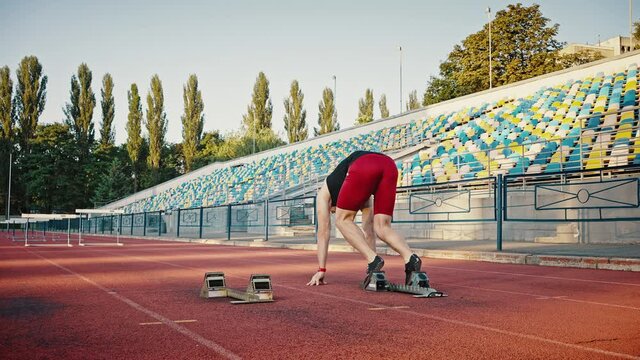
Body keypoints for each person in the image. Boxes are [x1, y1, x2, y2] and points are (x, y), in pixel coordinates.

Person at [306, 150, 422, 288]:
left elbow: (323, 233)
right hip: (389, 165)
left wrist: (321, 269)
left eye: (332, 210)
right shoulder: (358, 189)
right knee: (382, 227)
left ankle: (373, 261)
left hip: (364, 165)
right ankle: (410, 258)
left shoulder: (323, 195)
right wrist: (375, 270)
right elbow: (368, 230)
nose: (333, 211)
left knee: (341, 220)